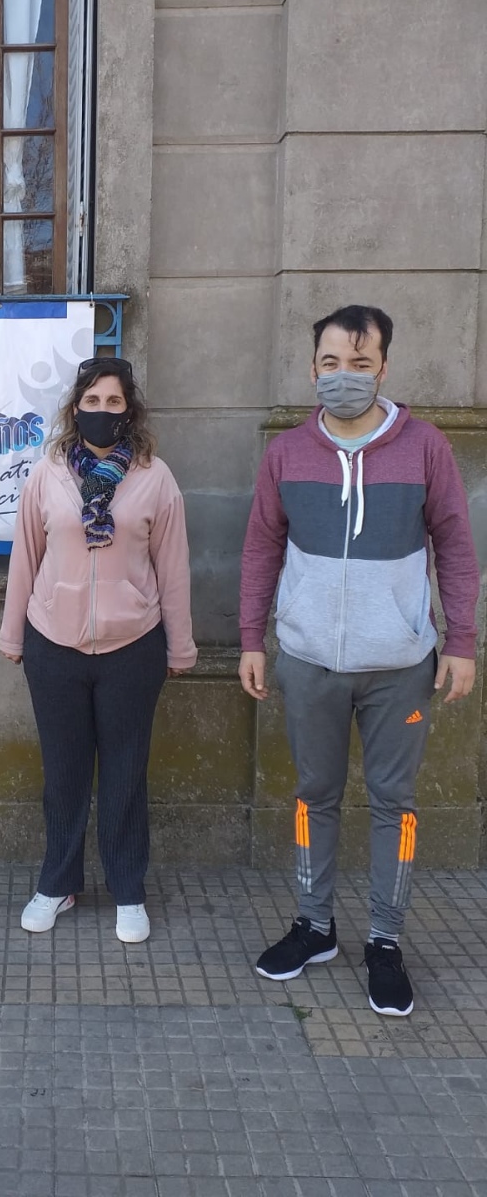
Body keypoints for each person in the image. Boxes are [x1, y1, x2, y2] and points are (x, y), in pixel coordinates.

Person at [240, 305, 479, 1016]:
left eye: (361, 362)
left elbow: (458, 547)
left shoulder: (425, 447)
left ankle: (384, 939)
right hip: (308, 659)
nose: (346, 376)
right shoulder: (286, 452)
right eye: (332, 363)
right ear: (314, 368)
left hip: (400, 664)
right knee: (315, 796)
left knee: (392, 803)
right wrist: (253, 637)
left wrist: (461, 641)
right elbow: (260, 548)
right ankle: (315, 926)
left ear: (383, 367)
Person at [0, 357, 197, 943]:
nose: (103, 412)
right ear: (75, 407)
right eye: (93, 401)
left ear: (128, 410)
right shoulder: (48, 475)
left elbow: (174, 568)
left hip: (132, 647)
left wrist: (180, 647)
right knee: (63, 775)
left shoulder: (155, 477)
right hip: (52, 644)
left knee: (124, 776)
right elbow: (25, 560)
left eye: (114, 403)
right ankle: (57, 883)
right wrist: (13, 635)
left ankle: (128, 891)